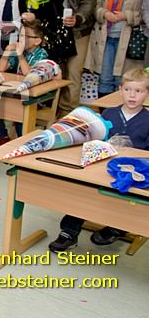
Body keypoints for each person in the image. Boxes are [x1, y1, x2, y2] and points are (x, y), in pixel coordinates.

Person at [49, 68, 149, 252]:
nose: (132, 95)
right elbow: (94, 138)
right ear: (120, 90)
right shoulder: (109, 114)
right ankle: (69, 231)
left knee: (130, 194)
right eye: (128, 90)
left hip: (132, 172)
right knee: (83, 189)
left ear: (147, 93)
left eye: (139, 91)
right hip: (103, 166)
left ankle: (117, 227)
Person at [84, 0, 147, 97]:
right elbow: (94, 6)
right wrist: (105, 13)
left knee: (124, 81)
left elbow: (144, 12)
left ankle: (122, 112)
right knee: (104, 79)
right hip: (105, 36)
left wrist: (126, 16)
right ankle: (106, 112)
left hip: (128, 38)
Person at [58, 0, 100, 115]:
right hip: (55, 30)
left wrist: (78, 18)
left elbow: (89, 3)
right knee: (55, 73)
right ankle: (52, 113)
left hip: (79, 31)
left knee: (73, 73)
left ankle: (68, 115)